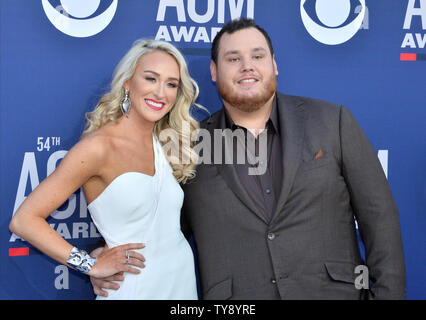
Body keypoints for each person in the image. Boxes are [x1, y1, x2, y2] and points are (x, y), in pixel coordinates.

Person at [92, 18, 406, 299]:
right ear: (214, 71)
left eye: (257, 56)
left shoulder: (331, 121)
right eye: (233, 58)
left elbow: (379, 217)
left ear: (274, 64)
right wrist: (108, 257)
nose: (247, 65)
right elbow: (163, 228)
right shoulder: (189, 146)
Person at [9, 39, 202, 300]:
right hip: (133, 288)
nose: (160, 92)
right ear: (127, 82)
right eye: (150, 79)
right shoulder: (97, 148)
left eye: (171, 84)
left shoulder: (164, 143)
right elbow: (24, 220)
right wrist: (91, 265)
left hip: (180, 283)